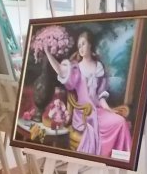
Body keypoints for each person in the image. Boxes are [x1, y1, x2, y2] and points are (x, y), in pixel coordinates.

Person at [43, 30, 132, 158]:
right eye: (79, 45)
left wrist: (109, 109)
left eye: (83, 44)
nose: (81, 48)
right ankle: (106, 157)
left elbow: (101, 95)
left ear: (90, 45)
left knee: (121, 121)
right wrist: (47, 53)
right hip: (84, 112)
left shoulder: (99, 67)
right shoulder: (76, 68)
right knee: (112, 123)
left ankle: (119, 158)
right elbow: (60, 70)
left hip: (99, 111)